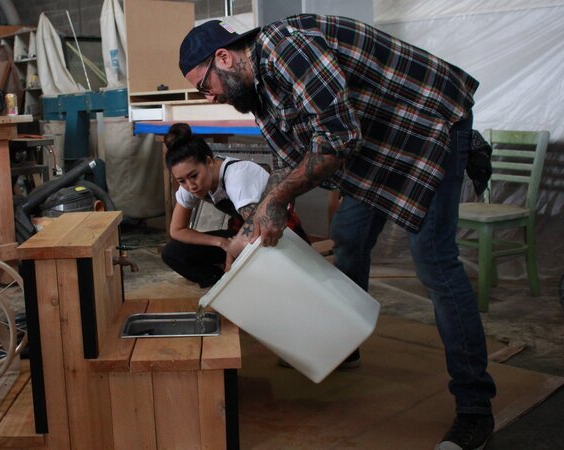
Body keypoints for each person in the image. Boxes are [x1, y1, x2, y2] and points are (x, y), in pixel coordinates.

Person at [178, 15, 496, 450]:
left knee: (434, 261)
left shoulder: (288, 48)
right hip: (377, 143)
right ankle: (346, 341)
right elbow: (291, 162)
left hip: (430, 126)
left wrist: (275, 201)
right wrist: (248, 231)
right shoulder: (257, 94)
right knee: (349, 233)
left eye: (204, 85)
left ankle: (475, 408)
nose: (210, 96)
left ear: (224, 57)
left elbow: (338, 139)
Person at [161, 122, 308, 288]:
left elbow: (257, 231)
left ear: (209, 162)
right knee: (173, 253)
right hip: (244, 234)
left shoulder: (237, 176)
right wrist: (221, 242)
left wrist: (233, 252)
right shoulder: (190, 185)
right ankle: (220, 285)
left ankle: (243, 285)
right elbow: (177, 230)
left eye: (194, 176)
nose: (190, 186)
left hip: (277, 235)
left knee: (263, 274)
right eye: (182, 181)